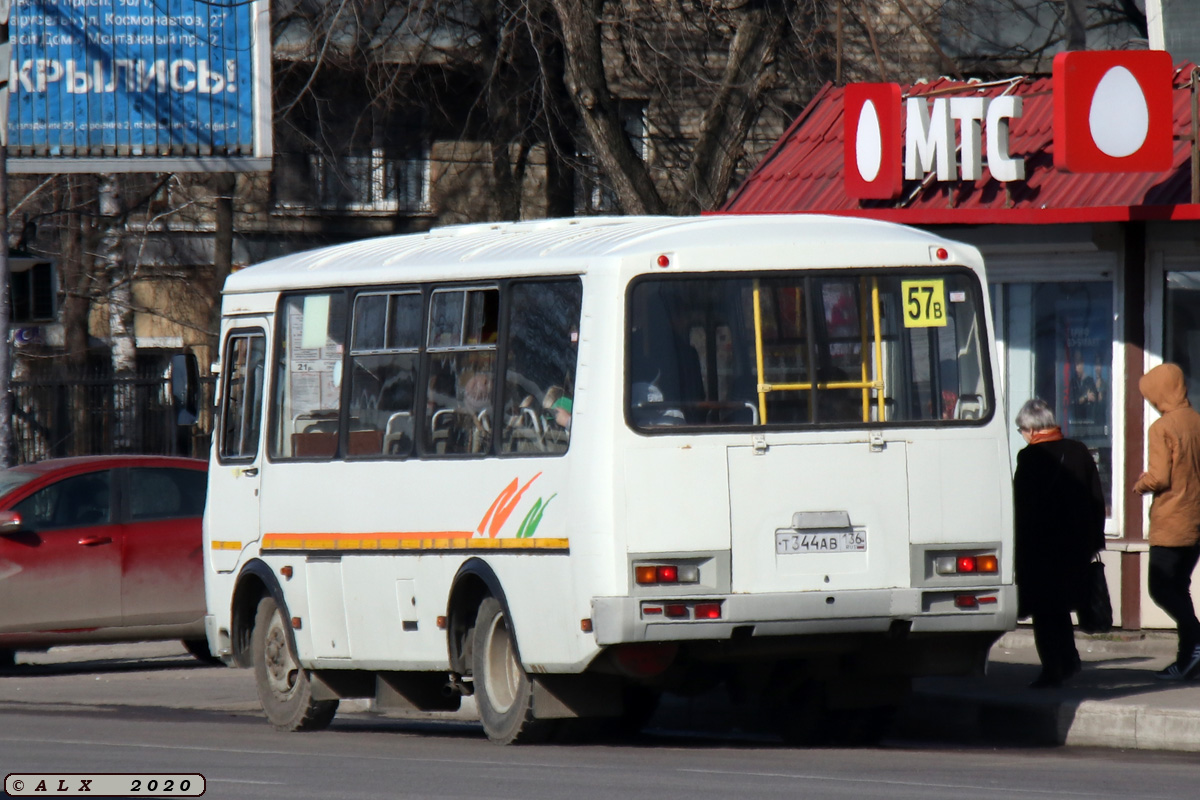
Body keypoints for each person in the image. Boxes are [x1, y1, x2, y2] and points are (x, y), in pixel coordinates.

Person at [1013, 398, 1106, 688]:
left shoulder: (1029, 458)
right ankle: (1069, 660)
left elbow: (1022, 507)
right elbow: (1096, 499)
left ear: (1030, 429)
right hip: (1076, 547)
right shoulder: (1078, 450)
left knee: (1044, 611)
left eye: (1021, 429)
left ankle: (1053, 668)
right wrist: (1094, 539)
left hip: (1041, 548)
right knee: (1062, 607)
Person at [1134, 363, 1200, 681]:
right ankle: (1188, 657)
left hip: (1172, 521)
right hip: (1196, 521)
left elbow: (1160, 477)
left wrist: (1140, 483)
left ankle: (1196, 643)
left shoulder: (1162, 428)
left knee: (1160, 588)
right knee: (1180, 587)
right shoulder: (1197, 421)